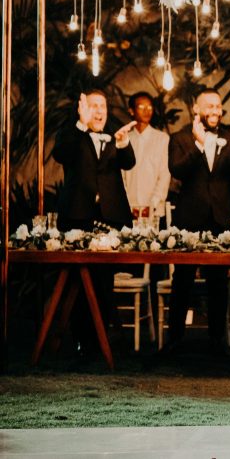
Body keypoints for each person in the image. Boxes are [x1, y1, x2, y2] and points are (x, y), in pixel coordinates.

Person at [166, 89, 230, 355]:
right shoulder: (180, 138)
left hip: (221, 217)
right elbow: (177, 170)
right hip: (189, 217)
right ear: (196, 109)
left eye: (218, 106)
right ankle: (175, 338)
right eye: (209, 106)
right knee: (182, 279)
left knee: (218, 281)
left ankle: (217, 339)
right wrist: (199, 145)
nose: (215, 111)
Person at [52, 90, 136, 356]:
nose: (99, 111)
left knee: (104, 280)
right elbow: (61, 154)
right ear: (83, 109)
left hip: (109, 217)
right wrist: (80, 124)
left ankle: (103, 338)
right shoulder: (71, 134)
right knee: (78, 282)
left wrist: (123, 143)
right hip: (78, 215)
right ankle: (81, 339)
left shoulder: (114, 136)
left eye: (103, 107)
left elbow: (129, 163)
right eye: (93, 106)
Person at [122, 92, 170, 221]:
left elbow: (165, 174)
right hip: (128, 209)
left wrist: (152, 204)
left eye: (149, 107)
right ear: (131, 111)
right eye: (141, 107)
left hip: (154, 210)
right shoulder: (125, 138)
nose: (146, 111)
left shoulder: (162, 139)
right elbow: (121, 175)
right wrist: (127, 204)